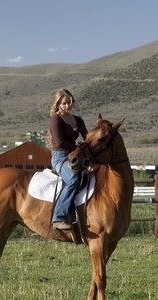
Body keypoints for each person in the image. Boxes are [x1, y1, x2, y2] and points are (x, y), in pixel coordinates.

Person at [48, 88, 88, 230]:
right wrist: (78, 148)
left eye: (69, 103)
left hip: (76, 155)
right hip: (60, 157)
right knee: (73, 179)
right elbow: (60, 143)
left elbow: (87, 138)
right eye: (64, 103)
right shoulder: (56, 119)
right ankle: (58, 218)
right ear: (58, 103)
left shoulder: (77, 119)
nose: (67, 106)